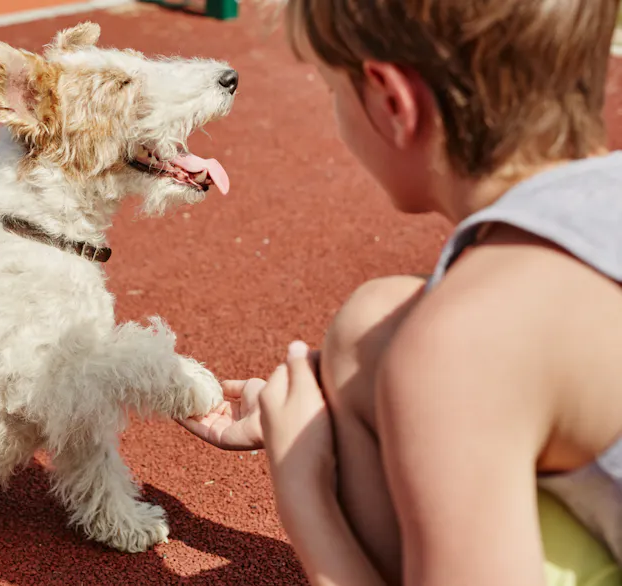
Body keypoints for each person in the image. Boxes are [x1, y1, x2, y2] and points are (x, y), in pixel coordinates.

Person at [178, 1, 622, 585]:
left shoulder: (463, 341)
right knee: (371, 329)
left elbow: (464, 356)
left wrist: (303, 490)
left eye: (334, 90)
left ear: (393, 103)